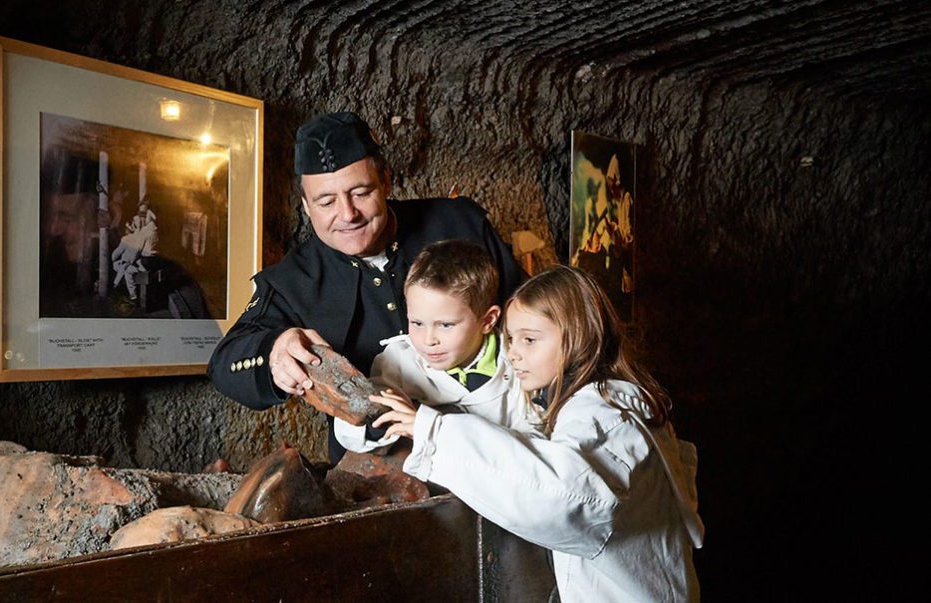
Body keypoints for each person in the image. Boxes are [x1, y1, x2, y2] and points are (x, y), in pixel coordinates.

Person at [371, 265, 704, 600]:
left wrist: (432, 432)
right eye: (510, 339)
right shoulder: (611, 400)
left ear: (577, 337)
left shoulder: (600, 416)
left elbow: (563, 497)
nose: (513, 353)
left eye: (530, 339)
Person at [207, 111, 524, 462]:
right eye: (326, 202)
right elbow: (225, 363)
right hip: (375, 475)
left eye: (360, 193)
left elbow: (530, 315)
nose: (347, 214)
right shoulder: (292, 280)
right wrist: (274, 350)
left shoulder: (461, 222)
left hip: (499, 447)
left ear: (385, 182)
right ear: (306, 206)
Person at [333, 240, 539, 454]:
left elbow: (535, 443)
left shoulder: (519, 365)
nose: (428, 339)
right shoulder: (398, 361)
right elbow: (352, 429)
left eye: (445, 325)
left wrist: (427, 426)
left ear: (487, 320)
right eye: (417, 323)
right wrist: (379, 419)